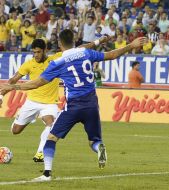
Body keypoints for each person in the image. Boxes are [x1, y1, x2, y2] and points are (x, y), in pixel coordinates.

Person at [0, 29, 146, 181]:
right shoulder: (86, 53)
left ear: (59, 43)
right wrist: (131, 45)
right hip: (92, 105)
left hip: (73, 106)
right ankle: (99, 148)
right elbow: (112, 55)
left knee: (51, 138)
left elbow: (37, 83)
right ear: (74, 40)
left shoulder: (57, 62)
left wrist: (13, 87)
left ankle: (46, 174)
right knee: (94, 141)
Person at [0, 36, 111, 163]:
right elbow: (12, 80)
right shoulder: (28, 64)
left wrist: (98, 41)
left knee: (51, 124)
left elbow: (79, 50)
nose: (36, 55)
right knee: (15, 131)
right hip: (31, 102)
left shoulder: (56, 59)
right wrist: (1, 96)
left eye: (38, 52)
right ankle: (29, 120)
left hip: (49, 104)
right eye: (34, 52)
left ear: (45, 50)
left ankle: (40, 153)